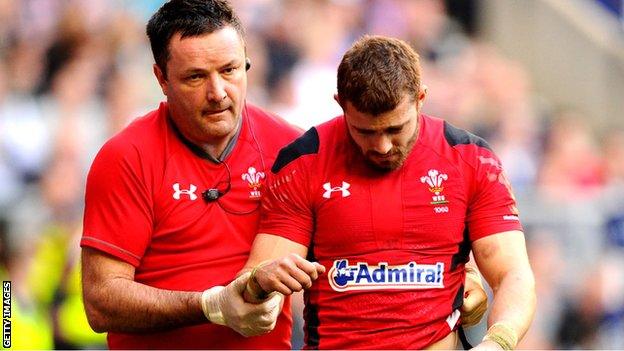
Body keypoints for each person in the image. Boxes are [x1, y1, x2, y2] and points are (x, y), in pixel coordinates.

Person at [80, 1, 488, 349]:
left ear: (248, 64)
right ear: (161, 79)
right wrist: (212, 305)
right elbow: (101, 302)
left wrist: (457, 274)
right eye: (195, 77)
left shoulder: (293, 149)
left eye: (230, 70)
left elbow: (378, 217)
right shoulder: (127, 157)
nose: (218, 92)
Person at [244, 35, 536, 349]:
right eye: (365, 131)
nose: (382, 146)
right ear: (340, 103)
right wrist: (260, 284)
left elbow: (513, 274)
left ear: (421, 98)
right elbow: (253, 286)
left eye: (395, 129)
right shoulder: (303, 163)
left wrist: (499, 342)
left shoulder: (472, 160)